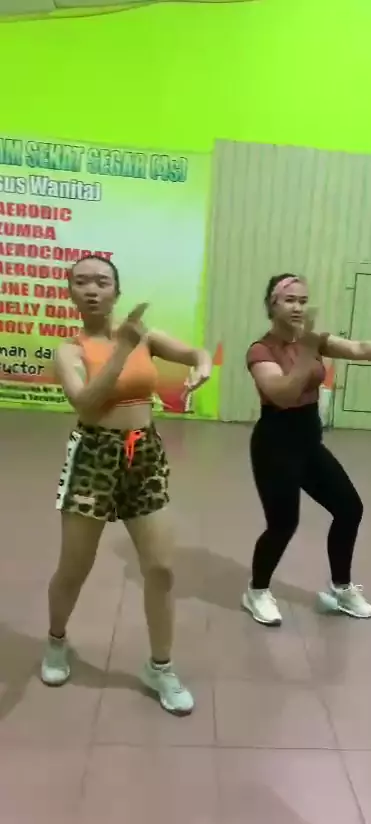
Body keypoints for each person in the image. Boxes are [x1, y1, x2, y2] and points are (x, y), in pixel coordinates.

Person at [41, 255, 211, 716]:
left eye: (102, 281)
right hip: (94, 457)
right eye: (82, 282)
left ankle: (160, 666)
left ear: (116, 291)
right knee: (74, 568)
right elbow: (86, 405)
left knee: (161, 569)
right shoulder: (69, 351)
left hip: (144, 455)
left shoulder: (146, 337)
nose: (92, 289)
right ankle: (56, 639)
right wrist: (120, 351)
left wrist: (202, 365)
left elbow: (196, 352)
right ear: (71, 293)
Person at [243, 273, 371, 626]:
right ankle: (257, 590)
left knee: (349, 508)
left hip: (308, 444)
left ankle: (341, 587)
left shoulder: (314, 340)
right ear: (271, 305)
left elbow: (359, 348)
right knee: (283, 523)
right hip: (274, 445)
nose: (298, 307)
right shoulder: (261, 350)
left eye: (303, 301)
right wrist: (308, 350)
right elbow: (282, 394)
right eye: (289, 300)